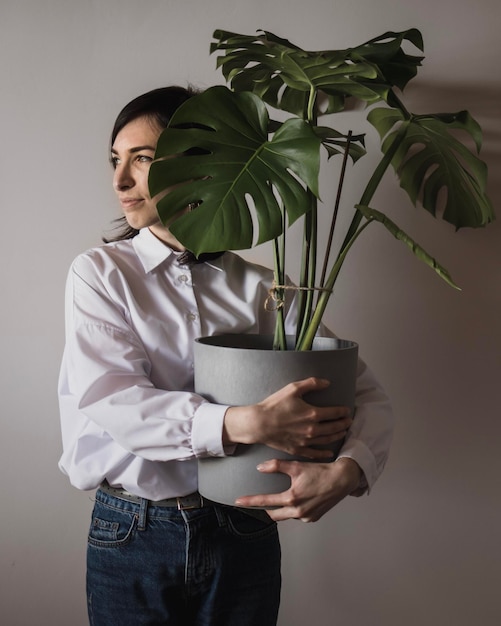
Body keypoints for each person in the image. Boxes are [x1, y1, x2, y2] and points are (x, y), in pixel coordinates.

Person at [58, 85, 394, 626]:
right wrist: (247, 421)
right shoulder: (100, 275)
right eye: (115, 160)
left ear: (201, 163)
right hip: (131, 530)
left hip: (244, 530)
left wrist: (348, 471)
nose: (120, 180)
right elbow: (113, 398)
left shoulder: (266, 288)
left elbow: (364, 391)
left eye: (142, 159)